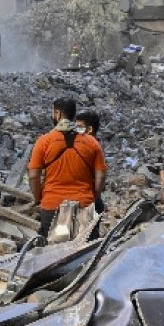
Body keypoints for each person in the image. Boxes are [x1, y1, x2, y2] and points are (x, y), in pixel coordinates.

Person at [28, 97, 107, 238]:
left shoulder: (43, 141)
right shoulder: (92, 143)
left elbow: (34, 176)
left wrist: (39, 198)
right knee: (85, 250)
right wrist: (94, 196)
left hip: (52, 206)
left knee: (53, 251)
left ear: (57, 114)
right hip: (84, 206)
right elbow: (100, 176)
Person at [75, 110, 106, 213]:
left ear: (89, 129)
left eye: (79, 127)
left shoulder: (90, 148)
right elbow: (100, 177)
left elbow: (100, 177)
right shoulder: (96, 147)